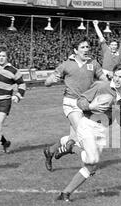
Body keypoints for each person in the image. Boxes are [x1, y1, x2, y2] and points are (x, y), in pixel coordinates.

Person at [54, 63, 121, 202]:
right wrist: (90, 105)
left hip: (102, 130)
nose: (117, 79)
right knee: (93, 159)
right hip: (88, 124)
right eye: (116, 75)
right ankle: (71, 147)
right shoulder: (102, 86)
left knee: (91, 167)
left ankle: (65, 194)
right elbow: (80, 100)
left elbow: (120, 121)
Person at [43, 38, 108, 171]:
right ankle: (87, 165)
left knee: (74, 137)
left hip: (86, 103)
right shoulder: (66, 64)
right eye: (83, 47)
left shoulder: (94, 63)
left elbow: (104, 80)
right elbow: (47, 82)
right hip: (71, 103)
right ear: (75, 50)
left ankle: (50, 151)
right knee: (84, 134)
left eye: (87, 47)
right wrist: (52, 80)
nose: (86, 49)